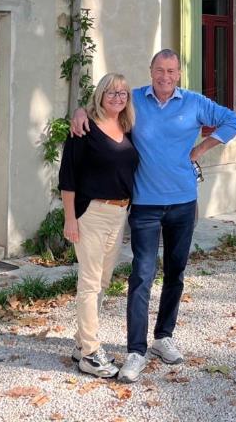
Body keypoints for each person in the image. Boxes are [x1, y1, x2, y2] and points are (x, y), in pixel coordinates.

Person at [71, 49, 236, 383]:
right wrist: (79, 111)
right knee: (142, 276)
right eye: (159, 70)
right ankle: (136, 350)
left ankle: (164, 338)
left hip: (183, 202)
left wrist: (200, 149)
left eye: (172, 71)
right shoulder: (133, 100)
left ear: (179, 73)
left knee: (175, 273)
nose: (165, 76)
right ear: (150, 71)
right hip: (146, 205)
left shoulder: (194, 102)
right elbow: (102, 105)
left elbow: (233, 121)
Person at [59, 72, 139, 378]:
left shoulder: (127, 127)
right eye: (111, 92)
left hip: (119, 214)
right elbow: (68, 177)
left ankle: (82, 343)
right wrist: (70, 219)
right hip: (91, 213)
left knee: (102, 282)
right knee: (90, 283)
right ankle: (91, 354)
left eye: (123, 94)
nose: (117, 98)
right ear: (100, 95)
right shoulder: (84, 128)